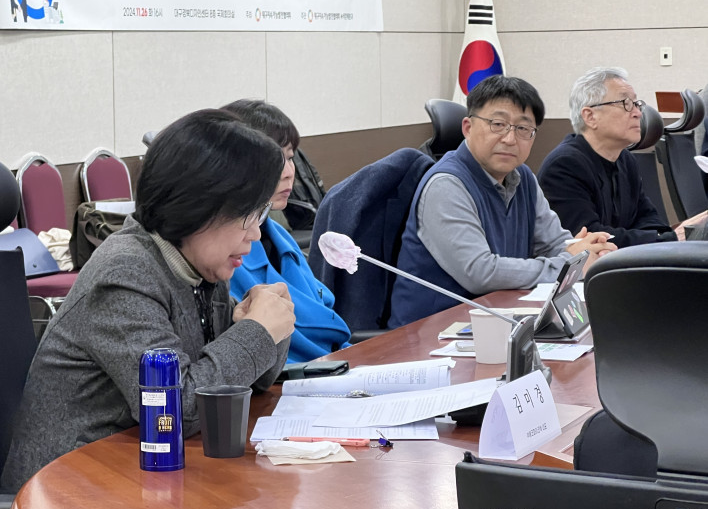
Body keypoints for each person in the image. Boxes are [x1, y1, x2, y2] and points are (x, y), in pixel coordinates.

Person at [1, 109, 294, 493]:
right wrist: (257, 333)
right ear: (199, 206)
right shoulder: (125, 274)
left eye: (260, 214)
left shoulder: (199, 263)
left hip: (141, 472)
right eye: (247, 215)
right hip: (71, 492)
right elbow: (178, 413)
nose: (255, 233)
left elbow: (244, 384)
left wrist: (268, 326)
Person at [389, 75, 616, 327]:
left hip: (498, 321)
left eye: (523, 129)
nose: (510, 139)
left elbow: (554, 242)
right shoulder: (446, 185)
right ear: (468, 127)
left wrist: (589, 251)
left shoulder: (523, 177)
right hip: (430, 332)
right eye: (498, 124)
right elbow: (480, 272)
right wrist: (569, 264)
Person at [223, 99, 351, 362]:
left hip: (337, 362)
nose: (288, 173)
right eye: (275, 160)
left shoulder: (279, 236)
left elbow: (324, 312)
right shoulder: (226, 255)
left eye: (290, 158)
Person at [538, 67, 683, 247]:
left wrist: (663, 237)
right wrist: (665, 239)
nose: (638, 113)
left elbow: (647, 217)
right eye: (625, 103)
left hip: (622, 259)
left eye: (636, 104)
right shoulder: (564, 166)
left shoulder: (626, 160)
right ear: (590, 116)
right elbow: (589, 238)